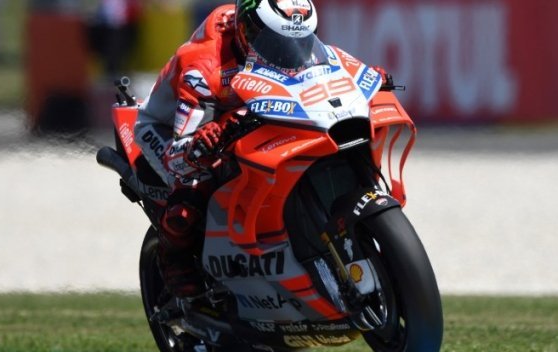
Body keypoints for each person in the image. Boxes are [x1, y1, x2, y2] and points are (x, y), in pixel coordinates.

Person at [133, 0, 385, 298]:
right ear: (245, 33)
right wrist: (202, 141)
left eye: (302, 40)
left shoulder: (289, 34)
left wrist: (367, 80)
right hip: (170, 127)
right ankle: (171, 257)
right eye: (275, 43)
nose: (289, 51)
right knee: (195, 185)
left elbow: (332, 65)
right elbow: (180, 157)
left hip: (238, 112)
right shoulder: (203, 68)